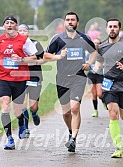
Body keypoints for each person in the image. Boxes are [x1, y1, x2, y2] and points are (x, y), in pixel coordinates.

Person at [44, 12, 98, 152]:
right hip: (62, 78)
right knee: (66, 112)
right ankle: (70, 131)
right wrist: (58, 56)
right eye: (67, 20)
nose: (70, 22)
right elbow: (46, 55)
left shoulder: (83, 38)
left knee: (75, 108)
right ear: (64, 23)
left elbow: (93, 52)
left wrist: (89, 63)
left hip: (78, 77)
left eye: (72, 20)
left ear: (77, 23)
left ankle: (73, 139)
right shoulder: (58, 39)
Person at [93, 18, 123, 158]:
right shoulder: (101, 47)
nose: (112, 29)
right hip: (109, 84)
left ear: (119, 29)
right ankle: (118, 148)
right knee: (113, 114)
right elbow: (100, 61)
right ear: (106, 29)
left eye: (115, 26)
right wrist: (96, 67)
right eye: (110, 26)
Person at [0, 16, 38, 150]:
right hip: (3, 78)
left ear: (16, 26)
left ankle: (21, 121)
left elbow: (34, 57)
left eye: (12, 23)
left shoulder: (24, 40)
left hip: (20, 79)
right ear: (4, 26)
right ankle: (9, 139)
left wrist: (21, 59)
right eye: (7, 23)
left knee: (17, 111)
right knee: (5, 106)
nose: (9, 25)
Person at [17, 24, 45, 138]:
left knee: (33, 106)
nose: (22, 32)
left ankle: (34, 113)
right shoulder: (15, 45)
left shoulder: (35, 44)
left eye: (24, 30)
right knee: (23, 105)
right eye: (20, 31)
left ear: (28, 32)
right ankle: (26, 128)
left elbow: (43, 59)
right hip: (21, 76)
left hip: (34, 76)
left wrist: (34, 62)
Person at [85, 38, 105, 117]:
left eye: (98, 43)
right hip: (91, 75)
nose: (96, 44)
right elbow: (86, 64)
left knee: (99, 94)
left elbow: (106, 64)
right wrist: (90, 67)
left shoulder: (102, 54)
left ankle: (103, 101)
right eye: (95, 43)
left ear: (100, 44)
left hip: (99, 75)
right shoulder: (88, 54)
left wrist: (100, 66)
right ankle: (95, 111)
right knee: (94, 94)